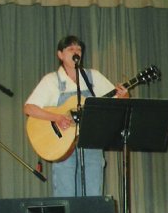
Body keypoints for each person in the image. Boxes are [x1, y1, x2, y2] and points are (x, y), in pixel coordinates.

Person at [24, 35, 129, 197]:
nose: (76, 52)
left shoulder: (93, 77)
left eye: (78, 49)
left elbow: (115, 104)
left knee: (93, 194)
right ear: (60, 54)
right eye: (70, 49)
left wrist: (124, 97)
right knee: (66, 196)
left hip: (91, 141)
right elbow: (30, 108)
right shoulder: (52, 80)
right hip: (63, 146)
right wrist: (57, 117)